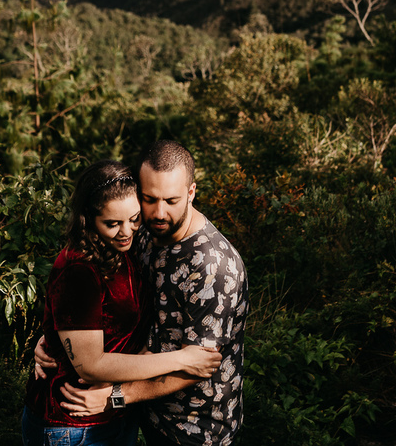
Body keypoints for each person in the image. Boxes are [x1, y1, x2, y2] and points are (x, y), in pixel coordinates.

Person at [41, 141, 249, 446]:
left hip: (194, 427)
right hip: (145, 414)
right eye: (149, 199)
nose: (159, 212)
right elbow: (85, 292)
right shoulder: (140, 233)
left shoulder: (212, 267)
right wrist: (53, 335)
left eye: (171, 200)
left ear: (191, 192)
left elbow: (199, 364)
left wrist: (114, 398)